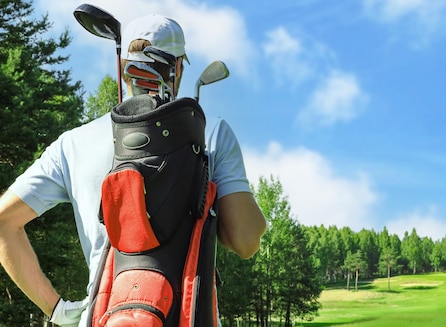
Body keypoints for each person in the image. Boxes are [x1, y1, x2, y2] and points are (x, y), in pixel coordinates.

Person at [0, 14, 266, 327]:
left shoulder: (72, 144)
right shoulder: (210, 132)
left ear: (125, 70)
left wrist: (56, 309)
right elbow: (246, 241)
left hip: (104, 318)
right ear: (177, 68)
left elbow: (4, 221)